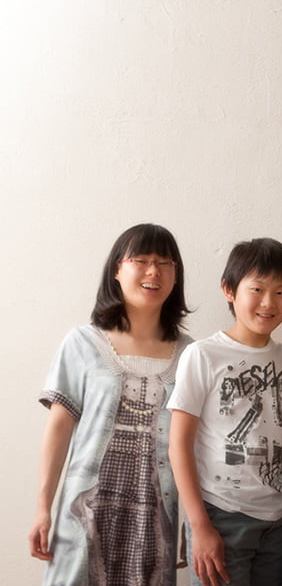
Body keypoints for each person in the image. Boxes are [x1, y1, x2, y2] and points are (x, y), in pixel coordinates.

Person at [28, 223, 192, 585]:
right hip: (86, 510)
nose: (153, 271)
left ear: (176, 274)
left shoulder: (191, 356)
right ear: (117, 269)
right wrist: (43, 507)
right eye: (141, 260)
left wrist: (193, 523)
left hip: (154, 514)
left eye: (164, 263)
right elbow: (58, 430)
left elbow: (196, 447)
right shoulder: (83, 344)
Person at [168, 238, 282, 586]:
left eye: (281, 292)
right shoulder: (203, 355)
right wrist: (199, 526)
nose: (268, 302)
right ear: (229, 290)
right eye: (257, 289)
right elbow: (178, 445)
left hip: (274, 519)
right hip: (221, 513)